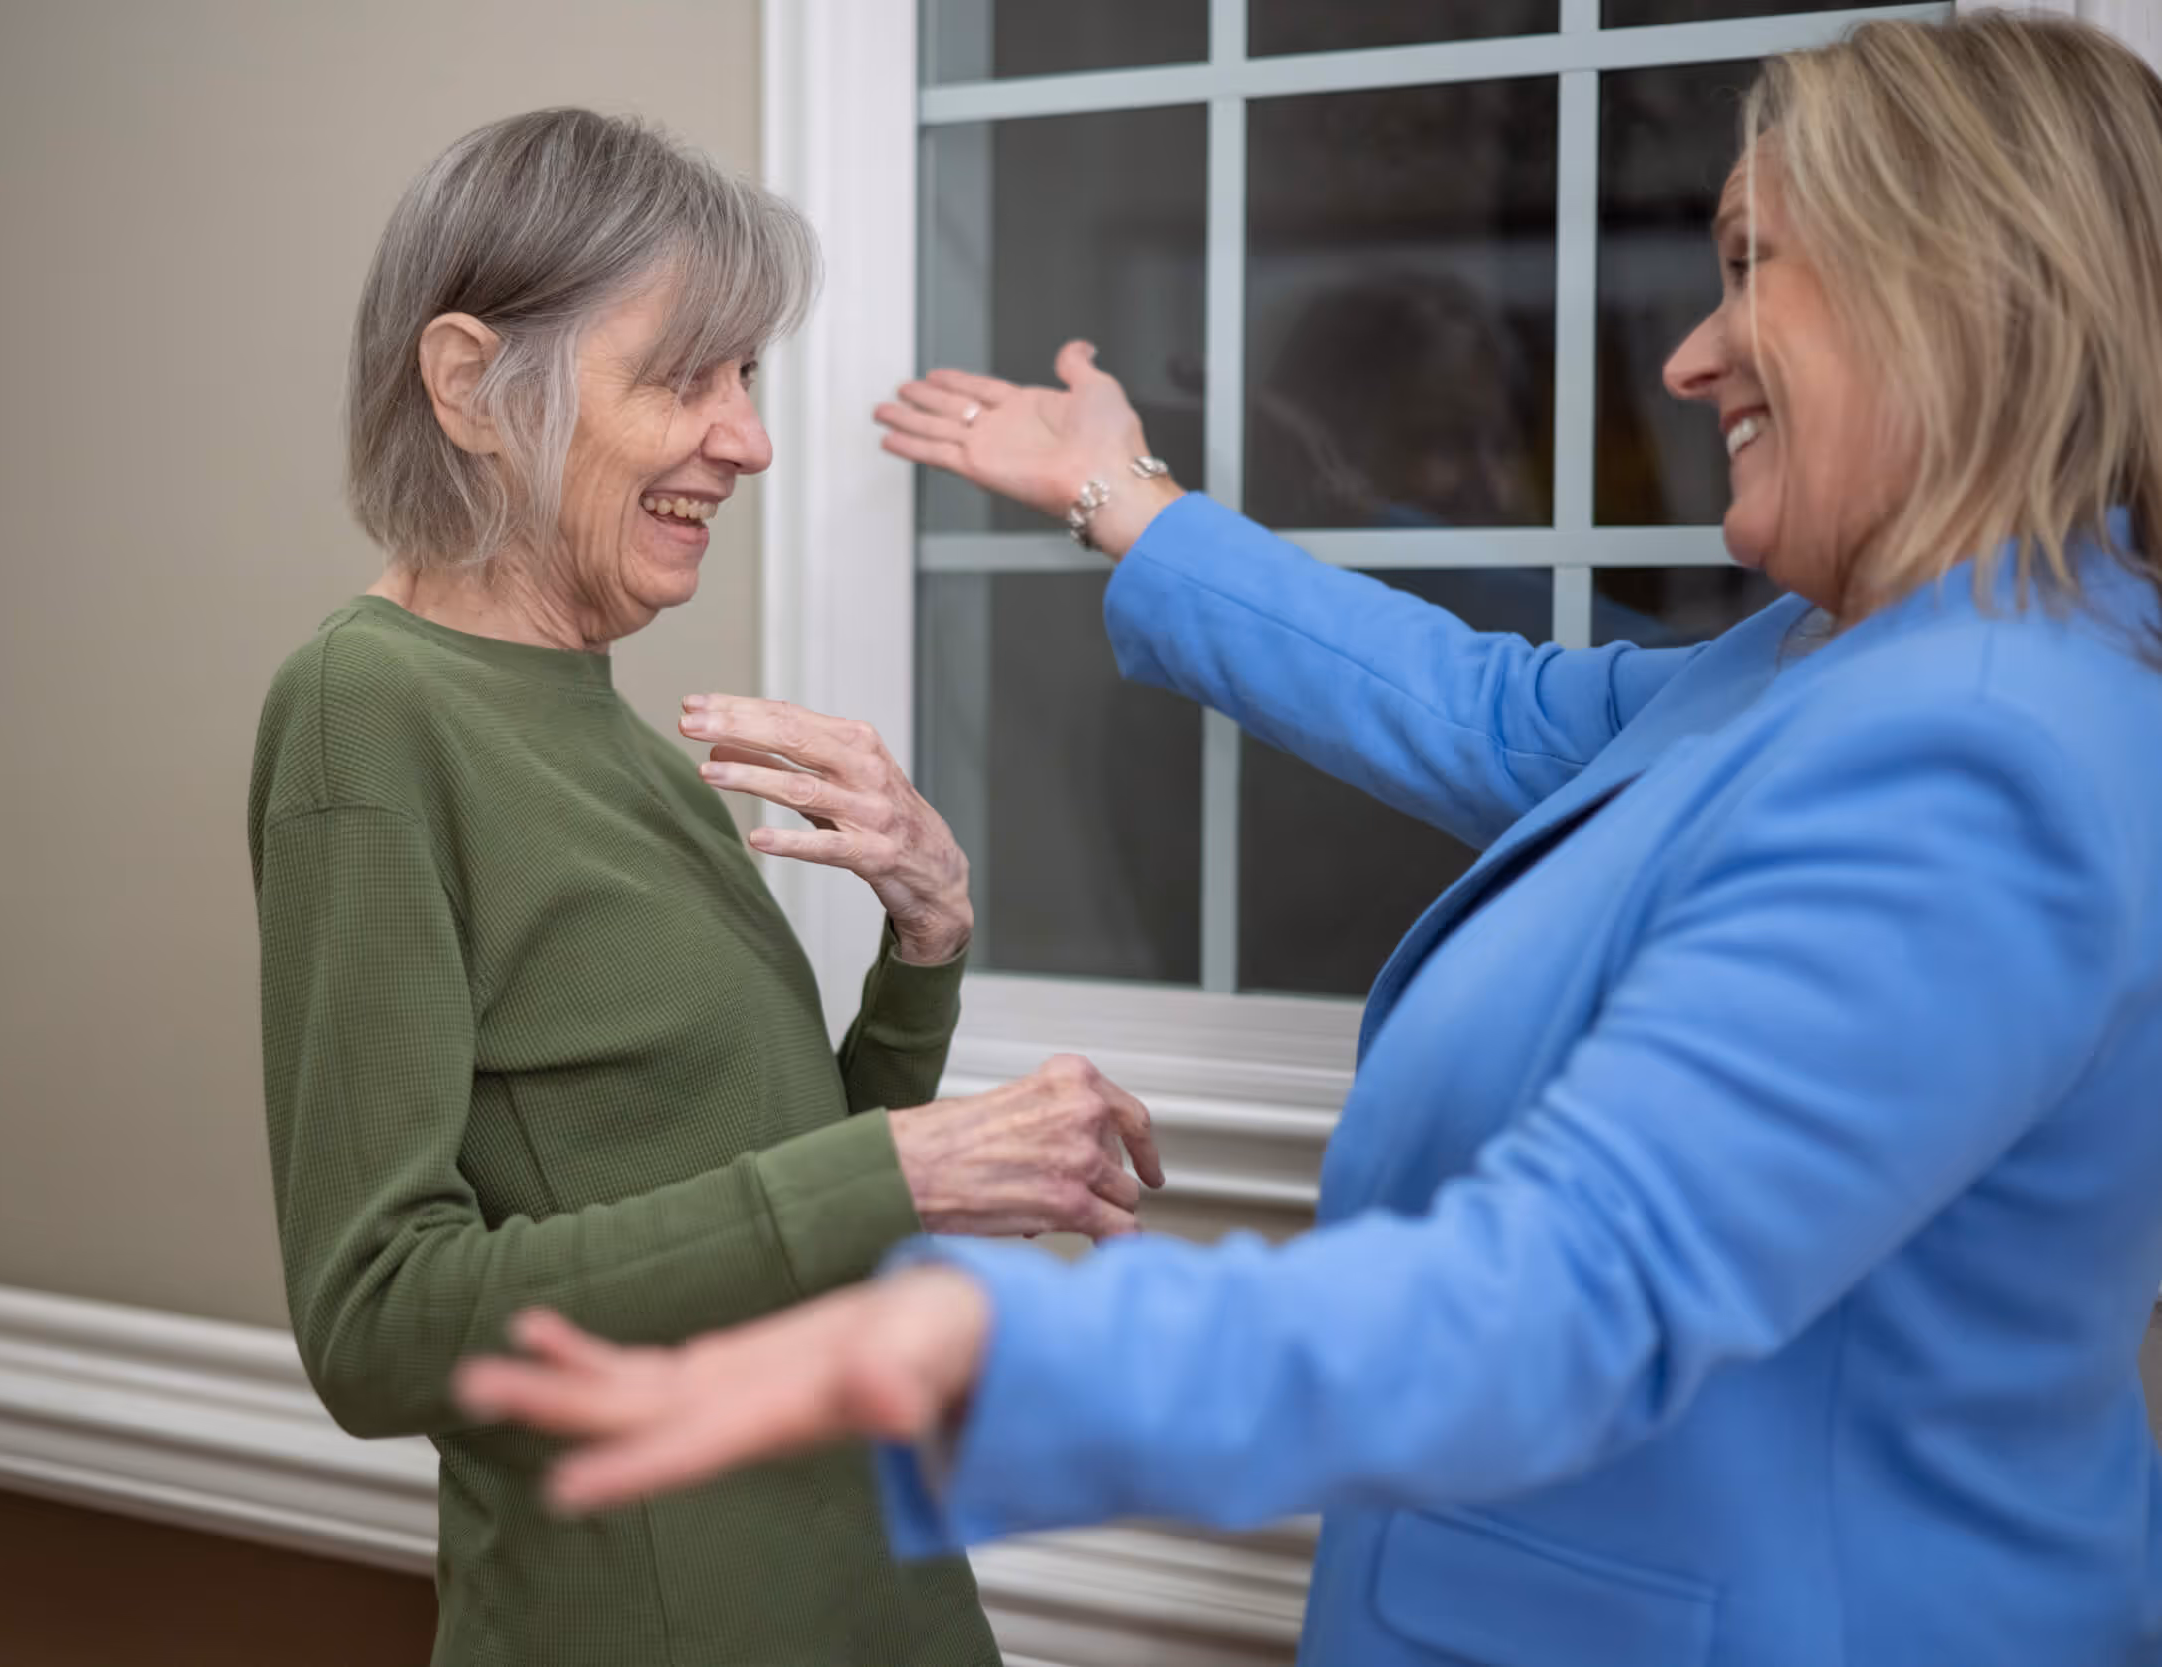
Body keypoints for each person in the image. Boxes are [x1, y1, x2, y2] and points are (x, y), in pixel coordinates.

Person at [448, 18, 2162, 1664]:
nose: (1689, 353)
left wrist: (967, 1331)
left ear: (1949, 288)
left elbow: (1573, 1283)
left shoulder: (1976, 745)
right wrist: (1128, 502)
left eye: (1745, 264)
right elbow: (1492, 712)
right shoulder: (1824, 659)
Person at [247, 108, 1165, 1667]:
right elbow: (380, 1325)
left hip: (873, 1575)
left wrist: (923, 949)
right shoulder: (366, 710)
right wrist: (911, 1169)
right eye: (685, 376)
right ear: (473, 385)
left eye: (746, 379)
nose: (743, 437)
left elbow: (770, 1199)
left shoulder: (621, 733)